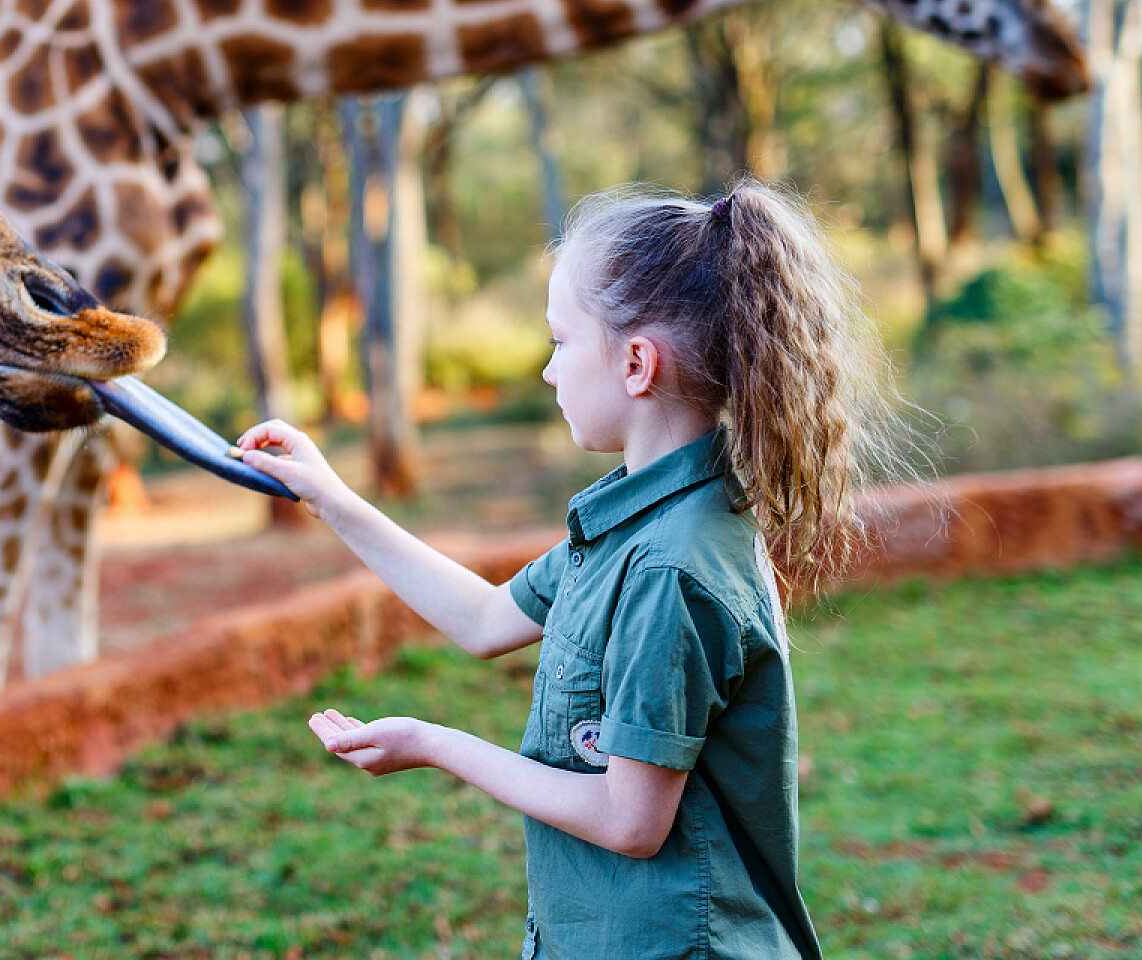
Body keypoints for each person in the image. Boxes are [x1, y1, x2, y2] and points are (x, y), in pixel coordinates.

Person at [236, 180, 923, 960]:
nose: (547, 372)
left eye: (560, 343)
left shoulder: (672, 567)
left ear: (636, 363)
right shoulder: (641, 519)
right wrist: (330, 497)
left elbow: (631, 821)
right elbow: (488, 619)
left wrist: (434, 743)